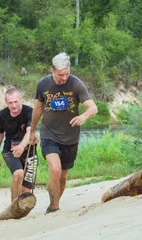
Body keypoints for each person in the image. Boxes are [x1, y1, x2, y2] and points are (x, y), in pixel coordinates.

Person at [29, 52, 98, 214]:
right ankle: (54, 207)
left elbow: (93, 108)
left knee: (63, 176)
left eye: (67, 74)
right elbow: (38, 108)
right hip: (49, 133)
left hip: (70, 136)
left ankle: (55, 203)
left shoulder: (76, 84)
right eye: (61, 75)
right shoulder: (43, 84)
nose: (64, 78)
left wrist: (83, 116)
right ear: (52, 70)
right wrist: (32, 131)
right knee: (55, 169)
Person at [0, 88, 37, 202]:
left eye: (16, 101)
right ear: (6, 102)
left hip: (29, 151)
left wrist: (21, 146)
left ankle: (22, 210)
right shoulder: (2, 115)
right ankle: (13, 206)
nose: (14, 105)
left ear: (20, 99)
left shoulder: (29, 111)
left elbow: (29, 131)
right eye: (10, 102)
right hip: (10, 151)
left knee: (27, 191)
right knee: (18, 173)